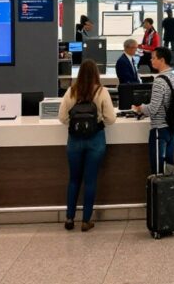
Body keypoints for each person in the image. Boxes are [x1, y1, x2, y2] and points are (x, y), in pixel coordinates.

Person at [58, 59, 116, 232]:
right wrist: (99, 122)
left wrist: (74, 124)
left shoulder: (71, 91)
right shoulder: (102, 91)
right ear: (96, 74)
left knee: (74, 179)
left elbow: (62, 117)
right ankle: (86, 221)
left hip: (74, 140)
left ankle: (69, 218)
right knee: (90, 180)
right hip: (95, 139)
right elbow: (111, 119)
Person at [134, 47, 174, 170]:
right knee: (169, 167)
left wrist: (140, 108)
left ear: (162, 60)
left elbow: (153, 109)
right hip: (172, 127)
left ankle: (158, 189)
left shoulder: (159, 81)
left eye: (154, 58)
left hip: (160, 129)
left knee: (157, 169)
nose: (151, 60)